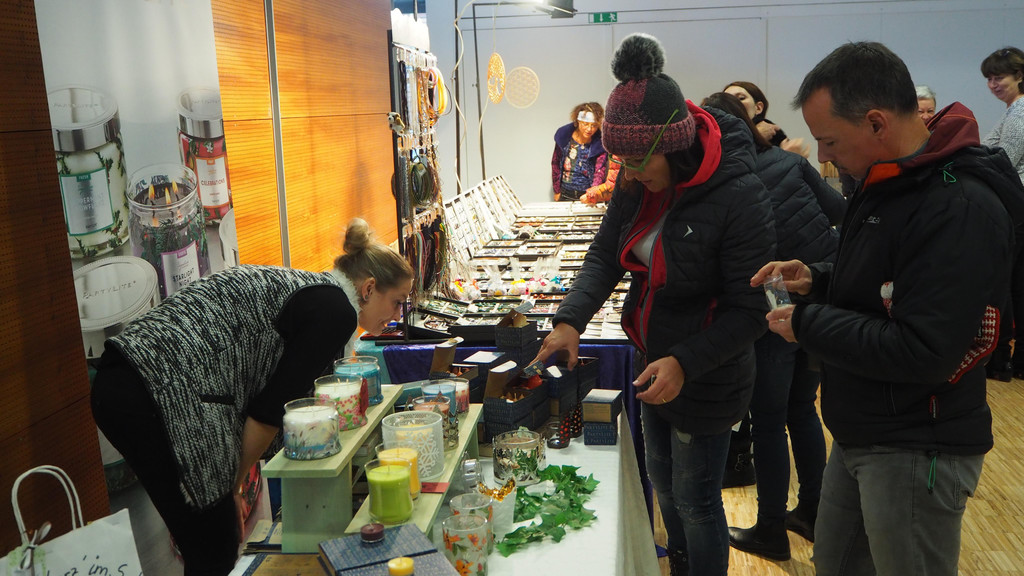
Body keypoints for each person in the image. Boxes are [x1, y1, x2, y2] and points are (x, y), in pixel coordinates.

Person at [754, 41, 1023, 575]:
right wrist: (817, 280)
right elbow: (885, 283)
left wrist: (806, 322)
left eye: (830, 140)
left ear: (877, 122)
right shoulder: (889, 180)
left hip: (918, 444)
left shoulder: (957, 205)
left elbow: (923, 348)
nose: (822, 155)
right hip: (865, 427)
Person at [533, 34, 775, 576]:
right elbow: (604, 256)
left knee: (696, 502)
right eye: (621, 160)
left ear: (676, 144)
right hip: (652, 365)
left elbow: (750, 310)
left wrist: (685, 362)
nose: (631, 171)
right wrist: (570, 320)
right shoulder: (636, 184)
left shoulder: (738, 195)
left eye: (640, 159)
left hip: (707, 376)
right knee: (665, 490)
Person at [91, 218, 414, 576]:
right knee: (213, 543)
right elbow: (269, 413)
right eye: (397, 303)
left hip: (129, 378)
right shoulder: (335, 311)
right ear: (369, 288)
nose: (396, 316)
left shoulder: (317, 294)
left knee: (210, 539)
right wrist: (233, 486)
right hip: (154, 385)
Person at [702, 91, 844, 561]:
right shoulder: (790, 163)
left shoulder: (727, 182)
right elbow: (840, 213)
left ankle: (770, 529)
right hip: (817, 298)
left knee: (767, 422)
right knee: (802, 410)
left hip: (773, 306)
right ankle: (813, 512)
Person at [980, 46, 1024, 381]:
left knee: (1009, 284)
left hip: (1016, 206)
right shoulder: (1012, 111)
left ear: (1019, 76)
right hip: (1015, 204)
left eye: (1000, 77)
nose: (994, 84)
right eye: (990, 79)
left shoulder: (1020, 112)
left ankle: (1004, 360)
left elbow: (1003, 159)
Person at [724, 81, 810, 157]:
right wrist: (756, 136)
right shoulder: (717, 133)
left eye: (741, 98)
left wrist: (789, 158)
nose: (732, 103)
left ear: (758, 108)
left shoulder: (773, 134)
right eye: (726, 100)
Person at [551, 102, 608, 201]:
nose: (589, 129)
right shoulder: (564, 136)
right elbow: (556, 163)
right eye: (585, 124)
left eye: (594, 125)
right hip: (565, 192)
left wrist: (593, 193)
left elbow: (600, 170)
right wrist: (557, 190)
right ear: (578, 121)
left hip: (587, 194)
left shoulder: (600, 142)